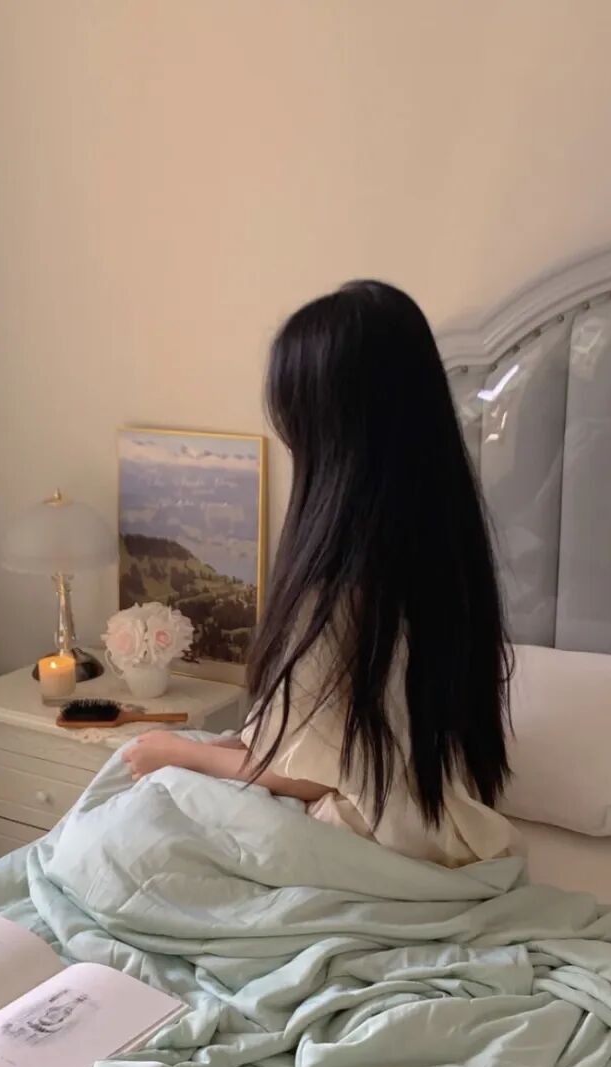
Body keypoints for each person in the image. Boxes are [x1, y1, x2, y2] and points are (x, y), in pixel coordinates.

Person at [121, 279, 519, 867]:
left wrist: (183, 754)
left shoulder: (341, 589)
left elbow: (314, 778)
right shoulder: (447, 556)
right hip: (436, 822)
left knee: (129, 815)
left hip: (362, 834)